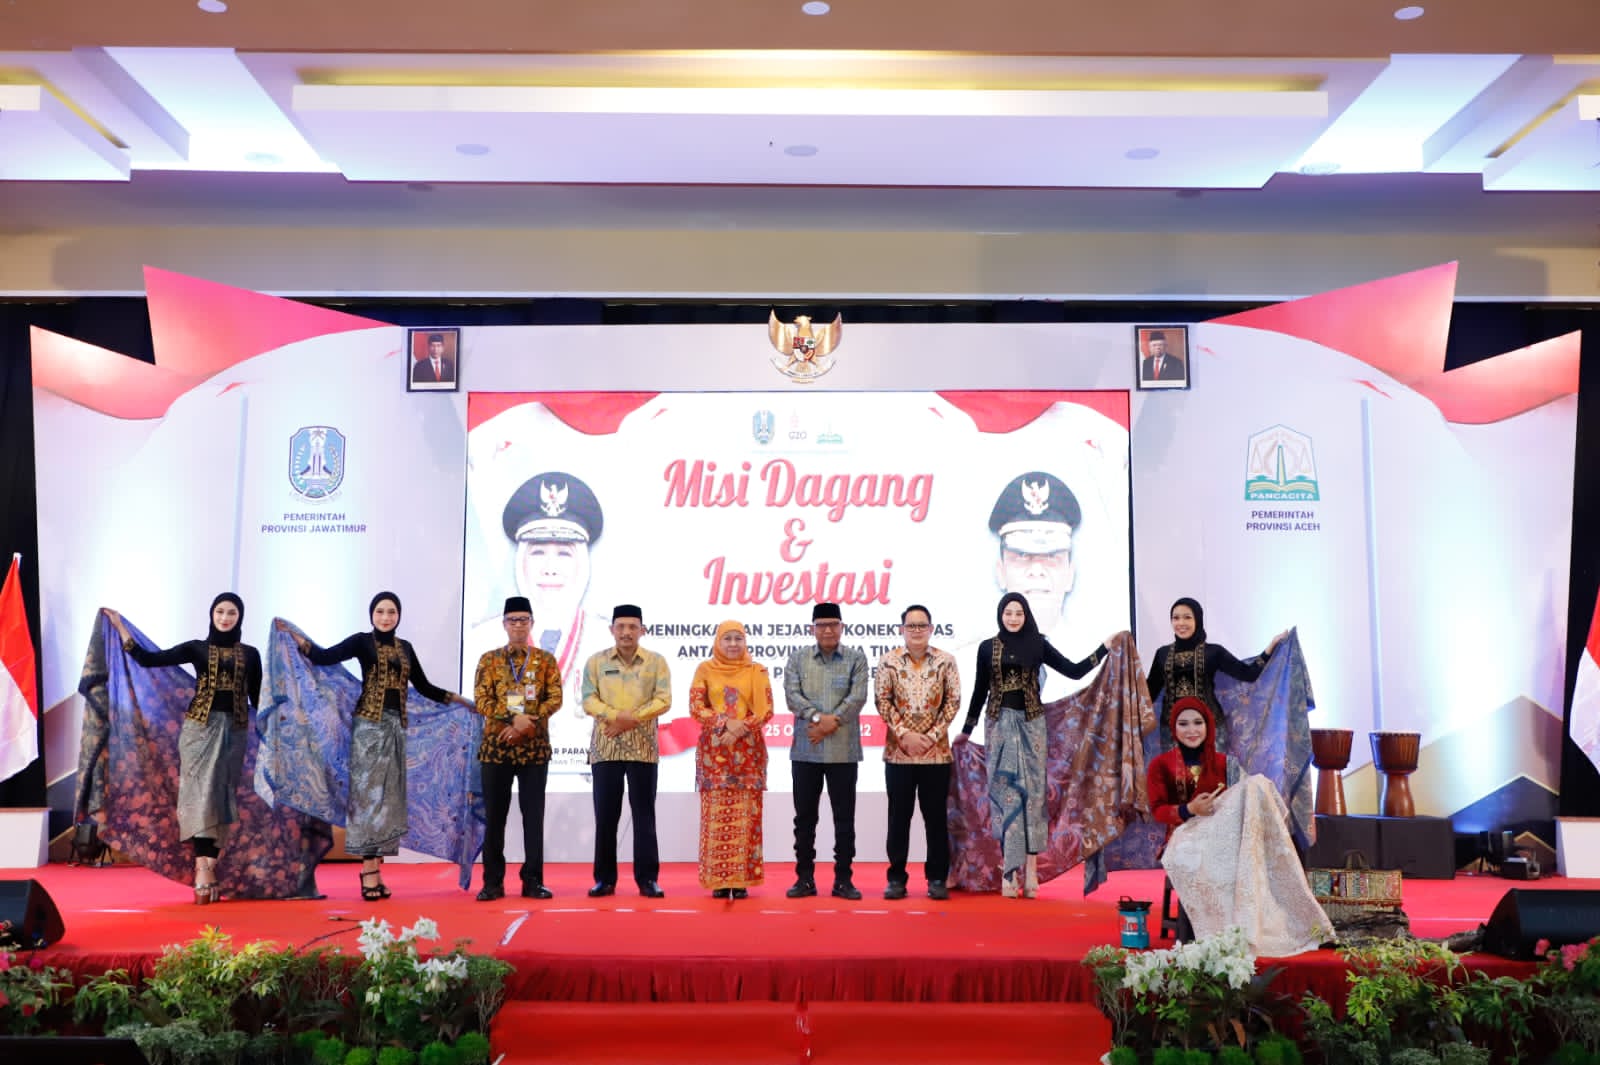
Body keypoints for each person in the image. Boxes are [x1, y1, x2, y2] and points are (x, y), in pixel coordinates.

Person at [286, 592, 471, 900]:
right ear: (372, 614)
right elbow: (323, 657)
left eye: (392, 612)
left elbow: (423, 686)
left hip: (395, 729)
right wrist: (295, 637)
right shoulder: (362, 642)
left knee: (386, 802)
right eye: (381, 612)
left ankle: (373, 870)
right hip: (369, 730)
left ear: (399, 616)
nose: (386, 617)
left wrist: (460, 701)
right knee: (369, 799)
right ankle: (369, 872)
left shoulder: (405, 648)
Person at [107, 594, 262, 904]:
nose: (225, 618)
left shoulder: (251, 654)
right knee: (198, 796)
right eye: (220, 611)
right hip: (199, 731)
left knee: (222, 797)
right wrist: (121, 627)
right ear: (212, 614)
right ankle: (202, 867)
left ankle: (209, 864)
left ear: (240, 617)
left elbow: (258, 698)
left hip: (235, 733)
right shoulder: (197, 648)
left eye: (231, 613)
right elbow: (149, 659)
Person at [1148, 696, 1329, 956]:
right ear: (1173, 728)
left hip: (1223, 838)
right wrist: (1190, 809)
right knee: (1198, 859)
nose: (1191, 730)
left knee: (1255, 785)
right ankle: (1209, 932)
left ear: (1208, 726)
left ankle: (1252, 928)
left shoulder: (1226, 764)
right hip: (1182, 839)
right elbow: (1157, 810)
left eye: (1198, 722)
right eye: (1183, 724)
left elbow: (1243, 804)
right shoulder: (1160, 765)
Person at [958, 592, 1112, 898]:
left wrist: (1104, 648)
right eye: (1008, 613)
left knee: (1032, 796)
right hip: (998, 725)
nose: (1013, 618)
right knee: (1006, 797)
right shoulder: (987, 647)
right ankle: (1009, 871)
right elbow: (979, 691)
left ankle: (1031, 870)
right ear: (1000, 615)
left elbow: (1074, 670)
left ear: (1026, 615)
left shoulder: (1038, 644)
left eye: (1019, 613)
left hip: (1032, 726)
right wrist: (966, 730)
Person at [468, 470, 610, 778]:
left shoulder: (606, 641)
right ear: (521, 560)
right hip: (506, 764)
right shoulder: (482, 641)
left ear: (582, 561)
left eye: (564, 554)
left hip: (584, 781)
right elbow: (477, 707)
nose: (550, 568)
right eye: (538, 552)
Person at [961, 471, 1091, 710]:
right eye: (1022, 556)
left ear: (1070, 573)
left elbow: (1076, 672)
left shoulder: (1097, 663)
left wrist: (1105, 649)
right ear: (1000, 571)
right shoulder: (968, 661)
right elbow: (978, 698)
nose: (1037, 570)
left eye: (1052, 556)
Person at [468, 595, 563, 900]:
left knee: (533, 818)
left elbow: (555, 698)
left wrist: (527, 722)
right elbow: (482, 700)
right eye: (513, 620)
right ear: (504, 624)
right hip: (497, 749)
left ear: (532, 623)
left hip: (534, 749)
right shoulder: (489, 660)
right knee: (495, 818)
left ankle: (532, 880)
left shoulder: (545, 660)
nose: (518, 625)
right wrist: (513, 718)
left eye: (524, 620)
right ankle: (492, 882)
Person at [582, 603, 671, 899]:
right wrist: (616, 716)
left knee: (644, 816)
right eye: (620, 626)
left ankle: (648, 880)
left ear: (642, 630)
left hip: (643, 749)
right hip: (606, 748)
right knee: (606, 816)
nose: (626, 632)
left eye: (633, 627)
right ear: (612, 629)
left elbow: (663, 700)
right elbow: (589, 700)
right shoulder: (596, 662)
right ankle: (604, 880)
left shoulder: (656, 662)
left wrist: (630, 719)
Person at [874, 603, 961, 901]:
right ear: (902, 629)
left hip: (935, 755)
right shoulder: (888, 662)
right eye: (911, 625)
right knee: (898, 818)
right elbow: (882, 701)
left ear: (931, 629)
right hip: (899, 754)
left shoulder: (946, 661)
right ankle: (896, 878)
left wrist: (930, 737)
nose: (916, 630)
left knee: (935, 819)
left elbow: (953, 702)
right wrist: (905, 735)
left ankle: (936, 877)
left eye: (922, 625)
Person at [784, 602, 870, 901]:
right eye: (822, 625)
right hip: (806, 752)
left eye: (833, 624)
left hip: (843, 753)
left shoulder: (856, 659)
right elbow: (792, 696)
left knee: (844, 820)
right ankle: (804, 879)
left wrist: (831, 722)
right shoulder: (797, 658)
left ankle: (843, 880)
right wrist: (819, 719)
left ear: (842, 627)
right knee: (804, 820)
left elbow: (858, 697)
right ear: (813, 628)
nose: (828, 630)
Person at [689, 620, 773, 899]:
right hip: (715, 754)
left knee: (747, 815)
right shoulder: (705, 669)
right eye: (728, 639)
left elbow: (766, 710)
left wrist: (740, 728)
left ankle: (741, 880)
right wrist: (725, 722)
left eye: (738, 638)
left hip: (748, 753)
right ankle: (718, 880)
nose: (733, 644)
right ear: (718, 642)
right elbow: (696, 707)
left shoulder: (756, 671)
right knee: (715, 815)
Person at [1146, 597, 1286, 750]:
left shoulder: (1213, 652)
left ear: (1197, 619)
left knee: (1213, 767)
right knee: (1174, 768)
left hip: (1211, 730)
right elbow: (1148, 693)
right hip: (1172, 732)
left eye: (1187, 617)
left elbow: (1249, 674)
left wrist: (1272, 645)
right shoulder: (1162, 654)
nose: (1181, 623)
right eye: (1176, 618)